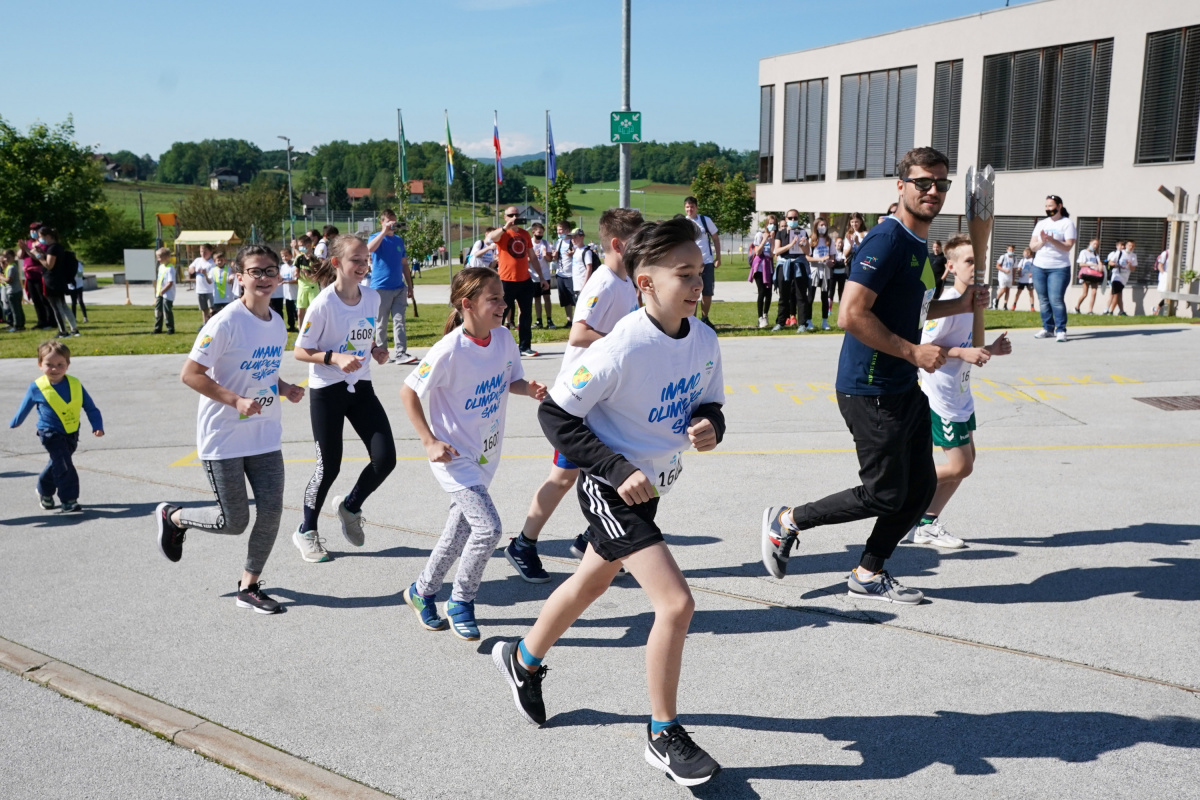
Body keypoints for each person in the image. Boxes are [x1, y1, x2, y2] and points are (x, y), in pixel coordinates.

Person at [492, 217, 726, 786]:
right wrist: (617, 469)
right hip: (610, 487)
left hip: (651, 487)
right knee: (676, 604)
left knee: (591, 583)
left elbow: (710, 403)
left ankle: (523, 659)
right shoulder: (622, 346)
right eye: (684, 274)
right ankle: (663, 733)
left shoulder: (703, 339)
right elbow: (556, 415)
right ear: (645, 283)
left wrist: (709, 425)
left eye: (700, 271)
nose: (698, 284)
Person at [760, 146, 987, 605]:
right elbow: (851, 314)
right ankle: (787, 521)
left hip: (903, 384)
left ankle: (868, 573)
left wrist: (960, 304)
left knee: (920, 487)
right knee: (885, 494)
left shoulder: (919, 244)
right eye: (923, 182)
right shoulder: (886, 241)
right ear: (901, 186)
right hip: (870, 388)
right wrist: (913, 351)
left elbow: (912, 309)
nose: (933, 190)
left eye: (941, 183)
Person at [153, 244, 305, 615]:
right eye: (256, 271)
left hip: (264, 434)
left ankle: (249, 586)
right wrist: (235, 400)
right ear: (240, 278)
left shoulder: (276, 323)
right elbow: (190, 374)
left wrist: (285, 387)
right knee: (233, 522)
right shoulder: (224, 322)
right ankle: (173, 517)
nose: (264, 278)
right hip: (223, 437)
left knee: (271, 512)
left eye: (270, 271)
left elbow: (262, 371)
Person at [401, 268, 547, 639]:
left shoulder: (504, 338)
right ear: (467, 304)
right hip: (454, 458)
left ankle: (421, 591)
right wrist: (429, 441)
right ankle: (461, 601)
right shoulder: (449, 350)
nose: (503, 304)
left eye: (503, 297)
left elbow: (511, 380)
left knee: (459, 530)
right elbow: (409, 391)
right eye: (493, 299)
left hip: (485, 453)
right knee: (488, 529)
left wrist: (528, 389)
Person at [504, 208, 645, 584]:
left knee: (616, 468)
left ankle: (592, 540)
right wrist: (624, 345)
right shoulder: (603, 283)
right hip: (577, 400)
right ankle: (523, 544)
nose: (645, 245)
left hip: (604, 397)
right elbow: (579, 333)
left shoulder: (626, 280)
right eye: (638, 239)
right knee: (563, 478)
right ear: (618, 244)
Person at [291, 235, 395, 563]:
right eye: (356, 260)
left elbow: (364, 334)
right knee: (329, 466)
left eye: (366, 260)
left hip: (361, 387)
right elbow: (300, 350)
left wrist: (376, 349)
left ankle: (350, 507)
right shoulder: (324, 303)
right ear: (336, 263)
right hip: (327, 391)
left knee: (385, 459)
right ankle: (306, 530)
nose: (363, 266)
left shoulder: (372, 297)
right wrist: (334, 358)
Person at [908, 234, 1012, 549]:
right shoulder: (949, 304)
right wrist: (963, 353)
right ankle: (903, 488)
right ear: (951, 266)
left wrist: (990, 349)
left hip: (961, 395)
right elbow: (925, 348)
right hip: (940, 398)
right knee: (959, 466)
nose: (975, 267)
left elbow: (966, 346)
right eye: (969, 261)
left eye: (979, 261)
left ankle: (926, 523)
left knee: (966, 463)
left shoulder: (974, 303)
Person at [9, 340, 104, 513]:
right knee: (65, 464)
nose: (55, 369)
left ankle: (44, 490)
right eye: (49, 364)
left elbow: (90, 407)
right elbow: (25, 406)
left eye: (60, 364)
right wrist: (16, 421)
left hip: (71, 432)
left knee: (58, 462)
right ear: (40, 365)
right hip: (49, 432)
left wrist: (97, 425)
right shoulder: (37, 387)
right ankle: (69, 500)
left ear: (68, 364)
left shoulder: (75, 384)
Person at [487, 206, 547, 357]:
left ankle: (525, 346)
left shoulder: (525, 234)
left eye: (517, 214)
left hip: (524, 280)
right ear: (505, 217)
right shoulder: (502, 233)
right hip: (506, 280)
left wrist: (541, 277)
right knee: (501, 314)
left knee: (526, 314)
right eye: (511, 215)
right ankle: (495, 347)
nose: (514, 217)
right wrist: (505, 227)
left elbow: (532, 257)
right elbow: (491, 238)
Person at [368, 208, 418, 365]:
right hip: (380, 288)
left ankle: (401, 353)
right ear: (382, 222)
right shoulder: (376, 237)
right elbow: (369, 249)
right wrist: (384, 232)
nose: (393, 224)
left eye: (394, 221)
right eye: (389, 221)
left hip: (399, 288)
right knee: (381, 323)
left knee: (399, 321)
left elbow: (404, 264)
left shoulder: (398, 240)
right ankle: (382, 354)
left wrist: (410, 285)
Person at [1030, 194, 1076, 342]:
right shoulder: (1041, 223)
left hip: (1059, 268)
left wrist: (1052, 239)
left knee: (1056, 299)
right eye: (1046, 206)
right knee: (1043, 300)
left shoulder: (1067, 223)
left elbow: (1068, 246)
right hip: (1039, 267)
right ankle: (1047, 328)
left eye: (1050, 206)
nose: (1048, 208)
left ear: (1059, 206)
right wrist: (1042, 241)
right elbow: (1032, 246)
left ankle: (1061, 330)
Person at [30, 228, 81, 338]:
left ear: (48, 236)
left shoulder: (52, 248)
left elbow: (49, 265)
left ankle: (63, 332)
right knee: (63, 305)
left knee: (56, 307)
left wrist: (37, 255)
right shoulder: (58, 247)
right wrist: (42, 253)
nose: (39, 239)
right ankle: (74, 329)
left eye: (40, 236)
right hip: (59, 280)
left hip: (52, 281)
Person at [683, 196, 720, 327]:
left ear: (696, 207)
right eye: (687, 207)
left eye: (692, 207)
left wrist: (718, 257)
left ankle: (704, 319)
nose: (690, 209)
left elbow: (715, 238)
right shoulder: (683, 223)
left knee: (707, 292)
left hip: (707, 261)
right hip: (691, 265)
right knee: (691, 293)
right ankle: (691, 321)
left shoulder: (705, 220)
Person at [771, 209, 809, 331]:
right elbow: (777, 251)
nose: (793, 220)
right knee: (783, 295)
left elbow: (807, 252)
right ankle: (781, 322)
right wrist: (790, 245)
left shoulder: (802, 232)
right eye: (790, 218)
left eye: (795, 218)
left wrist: (802, 245)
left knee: (801, 294)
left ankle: (802, 323)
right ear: (786, 219)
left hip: (798, 265)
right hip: (784, 264)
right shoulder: (780, 233)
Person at [21, 224, 53, 330]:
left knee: (44, 299)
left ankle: (50, 321)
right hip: (29, 276)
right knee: (35, 299)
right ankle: (41, 321)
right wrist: (23, 248)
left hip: (40, 275)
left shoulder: (44, 244)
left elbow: (36, 257)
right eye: (31, 230)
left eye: (35, 230)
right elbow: (20, 256)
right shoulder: (29, 243)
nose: (33, 232)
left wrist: (27, 249)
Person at [807, 216, 835, 331]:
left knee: (825, 297)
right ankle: (808, 321)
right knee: (811, 296)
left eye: (825, 225)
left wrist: (830, 261)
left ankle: (824, 321)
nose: (823, 227)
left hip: (825, 272)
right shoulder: (811, 240)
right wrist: (820, 259)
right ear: (816, 226)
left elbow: (832, 256)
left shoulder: (829, 240)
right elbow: (807, 257)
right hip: (814, 271)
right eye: (821, 225)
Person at [749, 215, 777, 328]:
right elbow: (757, 251)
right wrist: (765, 239)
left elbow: (772, 254)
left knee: (769, 292)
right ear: (766, 224)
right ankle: (760, 317)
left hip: (768, 266)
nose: (772, 226)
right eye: (770, 223)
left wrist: (772, 240)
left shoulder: (774, 237)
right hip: (760, 267)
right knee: (761, 291)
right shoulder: (760, 235)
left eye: (774, 224)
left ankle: (765, 314)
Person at [529, 221, 556, 329]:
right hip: (533, 275)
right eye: (539, 232)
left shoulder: (545, 243)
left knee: (547, 297)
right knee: (537, 299)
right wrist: (532, 257)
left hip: (545, 275)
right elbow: (525, 259)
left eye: (542, 232)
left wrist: (545, 255)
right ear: (533, 232)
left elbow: (550, 259)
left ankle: (549, 320)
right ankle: (539, 320)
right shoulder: (529, 243)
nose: (540, 234)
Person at [294, 235, 320, 328]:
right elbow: (296, 272)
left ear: (308, 245)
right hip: (302, 287)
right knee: (300, 312)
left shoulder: (315, 259)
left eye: (301, 245)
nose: (300, 248)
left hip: (312, 287)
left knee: (314, 311)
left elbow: (317, 276)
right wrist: (297, 273)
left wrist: (308, 273)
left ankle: (315, 329)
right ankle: (300, 331)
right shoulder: (299, 258)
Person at [1106, 239, 1136, 316]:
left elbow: (1133, 269)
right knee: (1116, 294)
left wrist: (1129, 265)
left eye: (1132, 246)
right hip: (1116, 276)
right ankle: (1111, 311)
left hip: (1124, 277)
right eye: (1129, 245)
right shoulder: (1119, 253)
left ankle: (1121, 311)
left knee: (1119, 294)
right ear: (1126, 246)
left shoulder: (1133, 256)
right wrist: (1117, 265)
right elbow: (1110, 262)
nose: (1131, 247)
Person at [553, 221, 576, 320]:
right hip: (560, 274)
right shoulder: (558, 242)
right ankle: (569, 320)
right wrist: (554, 256)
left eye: (560, 230)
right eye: (557, 230)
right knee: (565, 299)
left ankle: (577, 320)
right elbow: (555, 258)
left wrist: (573, 254)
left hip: (571, 275)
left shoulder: (573, 241)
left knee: (575, 299)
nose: (558, 232)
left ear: (567, 231)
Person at [570, 227, 599, 303]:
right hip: (576, 286)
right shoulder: (576, 250)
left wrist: (584, 286)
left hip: (583, 287)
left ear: (582, 237)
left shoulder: (586, 252)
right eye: (572, 237)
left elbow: (589, 268)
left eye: (575, 237)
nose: (573, 239)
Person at [1075, 239, 1104, 314]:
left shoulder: (1096, 254)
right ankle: (1077, 306)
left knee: (1094, 292)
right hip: (1087, 274)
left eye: (1097, 245)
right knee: (1085, 294)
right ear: (1090, 243)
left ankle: (1090, 310)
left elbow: (1099, 262)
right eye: (1094, 244)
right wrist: (1091, 264)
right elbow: (1081, 264)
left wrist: (1100, 266)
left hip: (1095, 275)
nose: (1095, 246)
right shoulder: (1084, 252)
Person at [151, 247, 177, 334]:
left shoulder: (170, 268)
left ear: (166, 257)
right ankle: (158, 328)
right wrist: (159, 291)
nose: (158, 259)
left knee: (167, 311)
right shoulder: (161, 267)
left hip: (167, 294)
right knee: (158, 311)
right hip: (159, 293)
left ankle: (170, 328)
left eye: (159, 257)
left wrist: (163, 290)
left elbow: (170, 282)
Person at [189, 244, 216, 324]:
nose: (203, 254)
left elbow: (212, 276)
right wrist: (192, 269)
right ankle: (205, 323)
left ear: (210, 252)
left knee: (212, 308)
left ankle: (212, 323)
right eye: (201, 252)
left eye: (205, 252)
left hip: (210, 289)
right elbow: (191, 269)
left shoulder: (212, 263)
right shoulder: (197, 260)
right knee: (204, 308)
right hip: (200, 289)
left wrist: (205, 273)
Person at [2, 249, 25, 331]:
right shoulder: (12, 266)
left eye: (8, 257)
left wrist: (1, 277)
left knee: (15, 310)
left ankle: (17, 326)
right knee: (19, 309)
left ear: (13, 257)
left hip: (13, 291)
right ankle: (21, 324)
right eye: (5, 257)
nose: (6, 259)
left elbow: (9, 280)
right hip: (17, 290)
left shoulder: (11, 267)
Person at [207, 251, 236, 315]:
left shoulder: (228, 269)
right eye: (218, 260)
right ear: (214, 261)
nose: (220, 262)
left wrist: (231, 278)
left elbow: (230, 281)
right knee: (216, 314)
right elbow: (209, 281)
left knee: (228, 314)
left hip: (227, 298)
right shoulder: (213, 270)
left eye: (221, 260)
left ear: (225, 260)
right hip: (217, 298)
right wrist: (205, 275)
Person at [279, 247, 299, 331]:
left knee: (297, 312)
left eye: (286, 256)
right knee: (289, 311)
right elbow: (280, 278)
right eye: (282, 256)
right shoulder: (283, 267)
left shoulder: (294, 267)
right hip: (287, 294)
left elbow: (296, 281)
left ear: (291, 256)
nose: (284, 258)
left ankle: (300, 325)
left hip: (296, 294)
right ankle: (291, 326)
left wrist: (285, 282)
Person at [994, 244, 1016, 310]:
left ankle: (1005, 305)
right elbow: (997, 266)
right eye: (1010, 249)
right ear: (1007, 250)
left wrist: (1013, 278)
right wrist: (1004, 270)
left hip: (1009, 276)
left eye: (1012, 250)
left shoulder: (1014, 258)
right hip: (1002, 276)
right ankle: (996, 300)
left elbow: (1014, 269)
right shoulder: (1003, 257)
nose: (1011, 251)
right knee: (1003, 290)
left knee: (1008, 290)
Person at [69, 257, 88, 324]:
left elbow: (80, 273)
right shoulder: (67, 264)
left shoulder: (78, 263)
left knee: (80, 301)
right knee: (73, 302)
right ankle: (74, 318)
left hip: (79, 285)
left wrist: (73, 274)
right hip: (71, 286)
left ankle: (85, 317)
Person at [1154, 247, 1171, 315]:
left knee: (1169, 294)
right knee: (1166, 294)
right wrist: (1164, 274)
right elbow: (1160, 266)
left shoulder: (1177, 254)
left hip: (1172, 277)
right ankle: (1157, 308)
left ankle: (1157, 308)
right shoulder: (1165, 253)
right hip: (1165, 276)